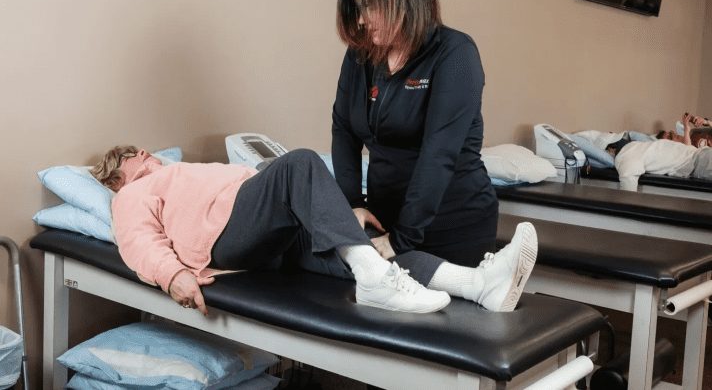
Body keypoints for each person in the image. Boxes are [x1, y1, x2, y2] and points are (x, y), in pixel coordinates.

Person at [90, 145, 538, 317]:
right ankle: (376, 283)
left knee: (369, 250)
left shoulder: (180, 169)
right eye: (130, 154)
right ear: (116, 178)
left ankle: (481, 286)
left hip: (272, 232)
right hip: (225, 235)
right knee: (298, 162)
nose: (143, 151)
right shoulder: (131, 194)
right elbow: (137, 242)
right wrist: (172, 276)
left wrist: (337, 217)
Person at [332, 0, 498, 267]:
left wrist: (403, 238)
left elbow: (440, 152)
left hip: (452, 228)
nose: (362, 19)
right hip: (384, 224)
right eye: (358, 8)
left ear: (402, 0)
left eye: (369, 6)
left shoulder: (455, 53)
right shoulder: (360, 54)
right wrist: (352, 204)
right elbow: (344, 129)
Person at [605, 134, 710, 191]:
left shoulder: (625, 155)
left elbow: (628, 192)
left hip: (698, 162)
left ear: (611, 150)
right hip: (701, 155)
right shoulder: (642, 146)